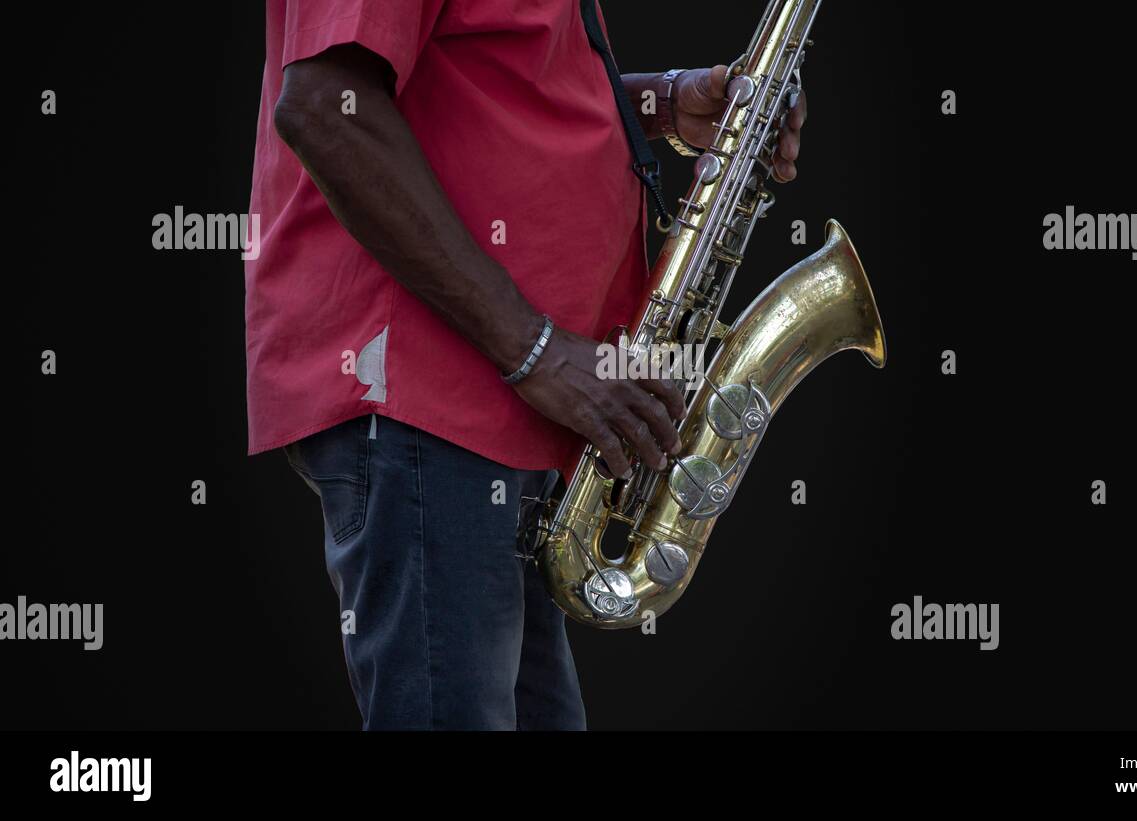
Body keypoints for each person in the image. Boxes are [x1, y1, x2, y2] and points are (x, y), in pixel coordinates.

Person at [245, 0, 806, 730]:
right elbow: (327, 108)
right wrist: (535, 350)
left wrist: (664, 104)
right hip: (431, 403)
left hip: (497, 408)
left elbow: (490, 88)